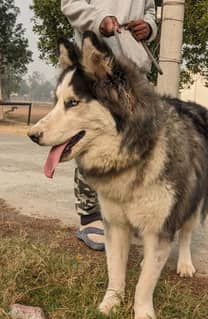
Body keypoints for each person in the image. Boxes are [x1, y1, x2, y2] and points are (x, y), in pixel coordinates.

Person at [61, 0, 158, 250]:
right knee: (92, 138)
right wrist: (98, 20)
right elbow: (70, 4)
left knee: (134, 141)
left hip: (133, 70)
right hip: (95, 66)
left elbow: (149, 10)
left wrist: (148, 27)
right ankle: (90, 216)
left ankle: (123, 212)